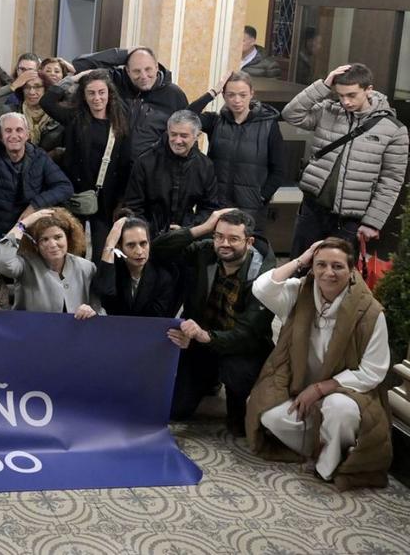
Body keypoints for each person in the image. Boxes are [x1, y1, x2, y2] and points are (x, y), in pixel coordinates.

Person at [247, 238, 392, 489]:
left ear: (351, 270)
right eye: (321, 265)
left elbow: (373, 371)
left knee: (338, 409)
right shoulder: (299, 292)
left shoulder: (370, 312)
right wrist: (302, 259)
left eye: (337, 266)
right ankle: (322, 441)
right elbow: (262, 288)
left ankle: (329, 464)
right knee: (269, 415)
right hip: (300, 387)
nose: (328, 273)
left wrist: (320, 388)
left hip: (345, 392)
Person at [153, 208, 276, 434]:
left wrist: (205, 336)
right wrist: (204, 228)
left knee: (237, 424)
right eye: (219, 236)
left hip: (242, 350)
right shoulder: (206, 251)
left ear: (249, 242)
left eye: (233, 238)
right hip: (201, 343)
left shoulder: (264, 276)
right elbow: (158, 249)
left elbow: (248, 335)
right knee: (176, 410)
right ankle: (209, 379)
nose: (224, 244)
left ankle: (235, 398)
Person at [282, 62, 408, 255]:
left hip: (351, 219)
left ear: (369, 90)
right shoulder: (329, 111)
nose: (346, 101)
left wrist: (372, 222)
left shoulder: (393, 129)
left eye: (352, 95)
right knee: (299, 267)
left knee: (338, 275)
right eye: (341, 95)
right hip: (313, 208)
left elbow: (391, 181)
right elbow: (291, 114)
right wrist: (323, 86)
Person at [40, 69, 132, 258]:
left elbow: (125, 164)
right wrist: (73, 78)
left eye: (101, 92)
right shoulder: (75, 117)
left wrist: (121, 201)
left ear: (109, 94)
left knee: (102, 252)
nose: (97, 98)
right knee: (73, 252)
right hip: (75, 194)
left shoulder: (120, 122)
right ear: (83, 95)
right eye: (91, 93)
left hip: (106, 198)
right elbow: (47, 102)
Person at [189, 71, 284, 231]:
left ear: (251, 94)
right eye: (231, 95)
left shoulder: (269, 125)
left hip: (251, 207)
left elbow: (279, 169)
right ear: (224, 96)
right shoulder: (216, 122)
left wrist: (261, 196)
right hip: (215, 204)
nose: (237, 100)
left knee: (246, 252)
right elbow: (186, 116)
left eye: (242, 94)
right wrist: (213, 92)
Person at [0, 112, 74, 250]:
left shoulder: (39, 156)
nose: (14, 135)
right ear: (0, 135)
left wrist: (34, 206)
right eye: (8, 131)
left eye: (19, 130)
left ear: (27, 135)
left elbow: (65, 186)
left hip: (27, 227)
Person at [72, 46, 189, 160]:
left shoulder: (175, 95)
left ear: (157, 67)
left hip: (152, 172)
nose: (143, 76)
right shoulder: (116, 82)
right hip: (113, 169)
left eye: (148, 69)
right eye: (136, 71)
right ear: (127, 71)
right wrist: (125, 53)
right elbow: (80, 64)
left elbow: (188, 135)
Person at [123, 110, 219, 238]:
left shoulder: (205, 166)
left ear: (197, 136)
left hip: (187, 238)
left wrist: (187, 229)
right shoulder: (145, 162)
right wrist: (149, 232)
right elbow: (133, 206)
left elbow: (209, 207)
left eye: (184, 136)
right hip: (148, 238)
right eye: (173, 134)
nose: (177, 141)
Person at [0, 207, 100, 318]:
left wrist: (91, 312)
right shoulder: (26, 265)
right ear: (36, 245)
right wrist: (23, 224)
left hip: (75, 332)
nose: (53, 244)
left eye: (58, 237)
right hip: (31, 332)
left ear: (68, 238)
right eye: (44, 239)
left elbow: (99, 310)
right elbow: (2, 262)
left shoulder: (86, 267)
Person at [94, 215, 175, 318]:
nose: (139, 251)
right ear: (119, 247)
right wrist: (109, 244)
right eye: (131, 245)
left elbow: (155, 317)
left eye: (143, 244)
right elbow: (105, 300)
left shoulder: (162, 277)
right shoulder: (112, 271)